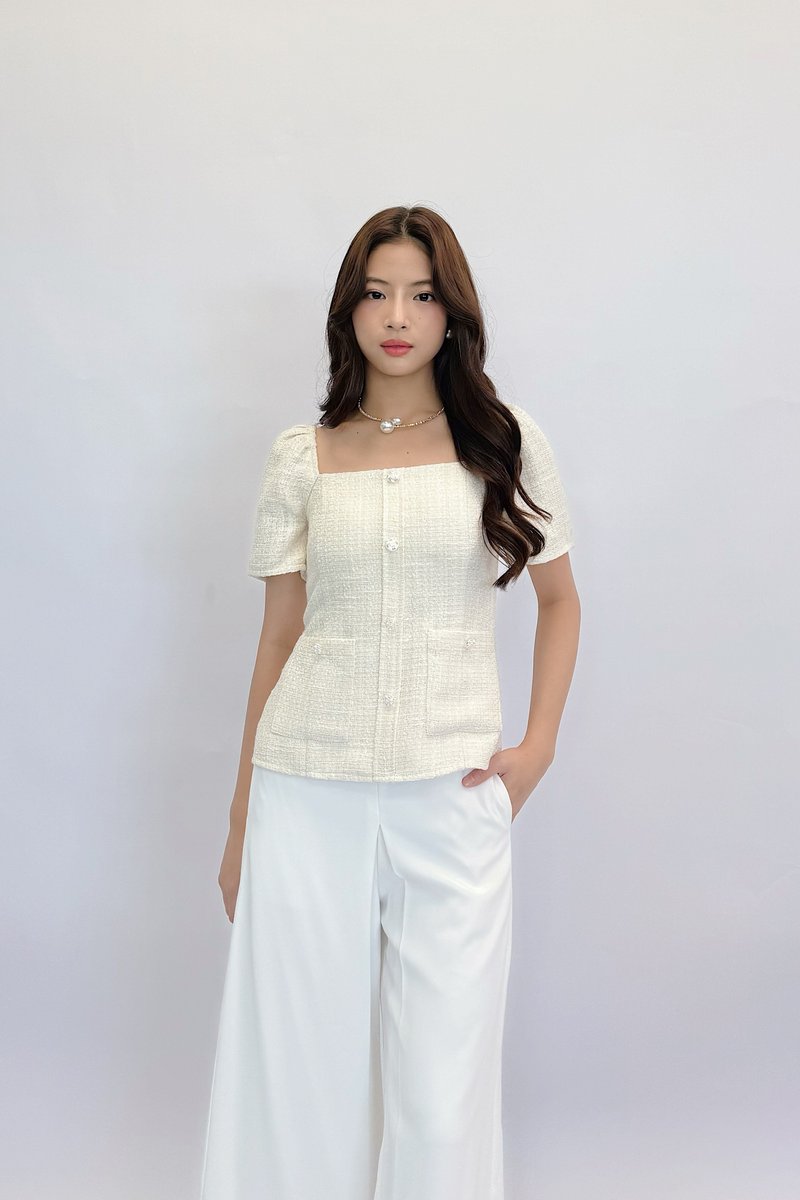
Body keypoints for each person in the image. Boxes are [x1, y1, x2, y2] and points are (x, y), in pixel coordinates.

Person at [199, 205, 581, 1200]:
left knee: (443, 1085)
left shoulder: (503, 441)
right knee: (299, 1075)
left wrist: (536, 746)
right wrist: (242, 820)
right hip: (303, 787)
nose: (398, 316)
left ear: (453, 314)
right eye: (376, 294)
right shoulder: (302, 455)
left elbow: (559, 601)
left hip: (452, 793)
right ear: (349, 311)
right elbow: (278, 637)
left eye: (421, 294)